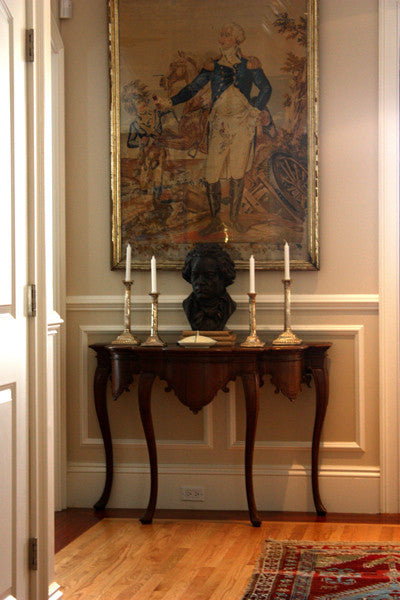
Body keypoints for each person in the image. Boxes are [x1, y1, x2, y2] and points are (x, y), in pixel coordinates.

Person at [155, 22, 273, 233]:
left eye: (226, 35)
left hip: (241, 125)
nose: (222, 39)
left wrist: (254, 111)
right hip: (219, 124)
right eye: (221, 35)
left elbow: (266, 88)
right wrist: (169, 102)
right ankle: (215, 220)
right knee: (212, 173)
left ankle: (234, 220)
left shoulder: (250, 64)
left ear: (236, 39)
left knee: (238, 172)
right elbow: (192, 88)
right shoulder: (213, 66)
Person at [182, 243, 236, 331]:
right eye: (195, 275)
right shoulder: (188, 306)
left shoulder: (229, 306)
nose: (200, 282)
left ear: (223, 276)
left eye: (209, 275)